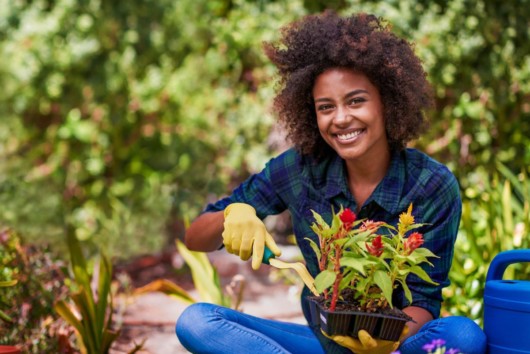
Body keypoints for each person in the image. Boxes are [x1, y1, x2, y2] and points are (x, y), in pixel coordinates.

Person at [175, 11, 487, 354]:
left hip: (395, 346)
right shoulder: (299, 169)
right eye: (326, 107)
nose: (340, 118)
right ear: (312, 114)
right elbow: (195, 237)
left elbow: (424, 301)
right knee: (197, 321)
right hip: (325, 346)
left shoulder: (431, 184)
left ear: (386, 101)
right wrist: (234, 212)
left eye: (356, 101)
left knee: (463, 337)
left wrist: (384, 342)